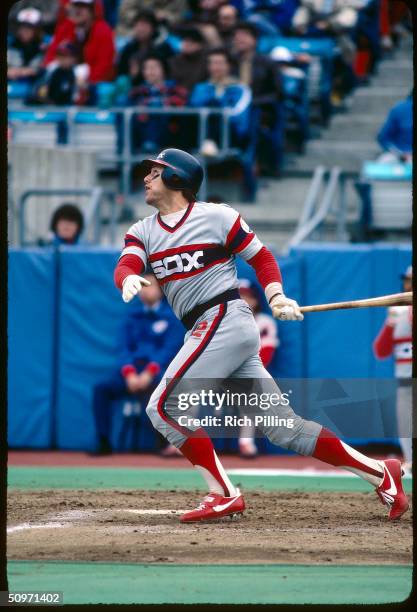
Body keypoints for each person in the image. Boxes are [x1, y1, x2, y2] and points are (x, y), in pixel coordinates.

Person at [113, 147, 409, 523]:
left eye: (155, 171)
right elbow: (127, 262)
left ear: (177, 179)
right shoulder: (142, 229)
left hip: (223, 317)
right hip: (210, 328)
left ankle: (222, 493)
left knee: (162, 406)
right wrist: (126, 278)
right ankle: (382, 472)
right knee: (284, 428)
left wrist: (276, 296)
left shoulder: (218, 217)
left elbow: (262, 258)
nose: (146, 177)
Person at [91, 273, 184, 455]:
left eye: (150, 285)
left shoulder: (171, 317)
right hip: (131, 373)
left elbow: (169, 349)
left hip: (157, 373)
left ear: (161, 290)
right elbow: (123, 347)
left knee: (160, 388)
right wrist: (129, 373)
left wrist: (149, 372)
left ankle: (165, 443)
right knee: (101, 389)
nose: (145, 290)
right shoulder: (131, 316)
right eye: (142, 285)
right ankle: (103, 442)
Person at [373, 266, 412, 472]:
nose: (408, 285)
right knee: (406, 427)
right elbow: (381, 351)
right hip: (405, 382)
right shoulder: (398, 313)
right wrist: (390, 324)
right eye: (407, 281)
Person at [231, 22, 283, 174]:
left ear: (254, 40)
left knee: (253, 120)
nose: (239, 39)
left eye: (244, 36)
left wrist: (252, 102)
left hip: (259, 109)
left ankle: (253, 164)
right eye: (237, 36)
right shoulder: (231, 62)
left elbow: (278, 93)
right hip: (233, 109)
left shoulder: (267, 63)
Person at [238, 279, 279, 457]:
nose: (244, 301)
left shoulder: (264, 322)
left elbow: (266, 354)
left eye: (248, 297)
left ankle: (245, 442)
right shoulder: (224, 321)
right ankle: (185, 441)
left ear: (256, 300)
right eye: (240, 297)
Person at [189, 47, 252, 155]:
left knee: (216, 107)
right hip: (201, 131)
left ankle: (210, 142)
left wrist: (221, 94)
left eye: (220, 63)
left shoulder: (241, 89)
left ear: (228, 66)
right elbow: (194, 108)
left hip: (231, 132)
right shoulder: (201, 87)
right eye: (212, 63)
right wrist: (217, 90)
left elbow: (237, 115)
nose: (216, 67)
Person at [44, 0, 115, 85]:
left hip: (94, 81)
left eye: (82, 7)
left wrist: (88, 80)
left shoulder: (103, 31)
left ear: (92, 11)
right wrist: (56, 66)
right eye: (75, 6)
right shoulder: (66, 26)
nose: (77, 11)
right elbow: (51, 54)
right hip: (66, 74)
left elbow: (104, 65)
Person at [128, 55, 188, 153]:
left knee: (155, 106)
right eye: (147, 68)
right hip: (140, 133)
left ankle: (152, 145)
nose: (151, 71)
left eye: (154, 67)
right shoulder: (136, 92)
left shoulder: (175, 90)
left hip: (170, 132)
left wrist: (161, 103)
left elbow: (181, 105)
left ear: (164, 70)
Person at [117, 10, 175, 80]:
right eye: (138, 25)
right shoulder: (129, 48)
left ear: (153, 28)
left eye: (144, 26)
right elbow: (121, 71)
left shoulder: (163, 48)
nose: (140, 29)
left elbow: (170, 72)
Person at [8, 7, 46, 84]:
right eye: (22, 26)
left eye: (30, 27)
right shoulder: (10, 43)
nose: (25, 30)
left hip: (34, 88)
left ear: (37, 29)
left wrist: (26, 71)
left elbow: (42, 68)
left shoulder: (45, 45)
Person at [168, 28, 208, 93]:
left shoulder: (206, 61)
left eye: (191, 41)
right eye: (184, 40)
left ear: (200, 45)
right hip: (177, 97)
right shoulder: (173, 61)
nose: (186, 44)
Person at [376, 92, 413, 164]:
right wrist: (400, 153)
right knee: (384, 162)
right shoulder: (400, 109)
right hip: (399, 155)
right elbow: (384, 138)